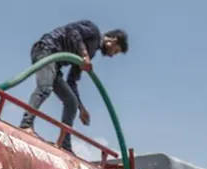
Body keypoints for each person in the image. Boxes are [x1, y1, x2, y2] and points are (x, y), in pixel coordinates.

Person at [18, 20, 128, 154]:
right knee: (45, 87)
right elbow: (72, 31)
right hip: (46, 50)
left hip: (56, 65)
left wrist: (81, 108)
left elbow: (72, 80)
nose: (111, 55)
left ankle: (65, 144)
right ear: (113, 40)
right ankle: (26, 124)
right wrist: (84, 54)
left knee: (71, 102)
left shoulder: (91, 53)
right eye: (115, 51)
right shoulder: (93, 31)